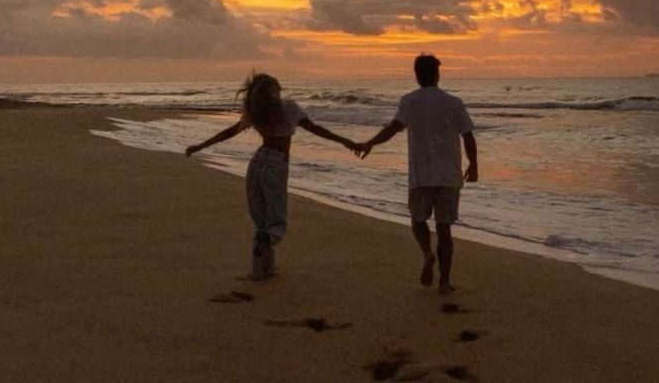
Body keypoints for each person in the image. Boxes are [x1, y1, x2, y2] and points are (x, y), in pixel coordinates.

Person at [186, 71, 356, 280]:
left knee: (261, 219)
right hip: (276, 163)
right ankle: (264, 256)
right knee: (276, 222)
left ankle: (261, 270)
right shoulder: (288, 107)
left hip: (257, 162)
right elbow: (316, 129)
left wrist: (200, 146)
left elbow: (230, 132)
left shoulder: (256, 111)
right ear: (273, 91)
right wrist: (346, 142)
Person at [356, 54, 478, 294]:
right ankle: (444, 282)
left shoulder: (409, 101)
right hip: (449, 175)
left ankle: (427, 253)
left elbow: (393, 128)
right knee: (444, 229)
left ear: (417, 75)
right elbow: (468, 136)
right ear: (437, 74)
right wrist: (473, 165)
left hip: (422, 174)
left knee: (418, 220)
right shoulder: (453, 102)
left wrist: (370, 143)